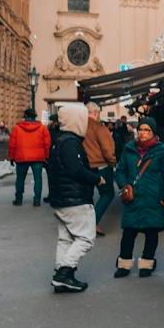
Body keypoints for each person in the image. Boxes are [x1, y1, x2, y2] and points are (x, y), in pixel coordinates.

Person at [112, 119, 164, 277]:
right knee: (128, 232)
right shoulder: (128, 149)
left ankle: (147, 262)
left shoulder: (161, 151)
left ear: (153, 132)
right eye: (140, 129)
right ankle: (123, 265)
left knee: (151, 232)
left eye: (147, 130)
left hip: (153, 197)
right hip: (133, 198)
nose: (143, 133)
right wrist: (124, 185)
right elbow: (119, 171)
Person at [47, 102, 96, 293]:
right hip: (74, 198)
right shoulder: (70, 142)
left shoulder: (59, 140)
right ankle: (64, 273)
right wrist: (96, 178)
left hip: (60, 198)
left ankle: (63, 275)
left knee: (66, 238)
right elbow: (76, 170)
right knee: (85, 238)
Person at [83, 103, 117, 235]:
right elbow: (107, 149)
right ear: (96, 113)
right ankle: (93, 223)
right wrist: (112, 162)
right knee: (107, 193)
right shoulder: (99, 127)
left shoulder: (80, 127)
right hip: (101, 165)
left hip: (85, 166)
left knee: (87, 195)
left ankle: (85, 223)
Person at [7, 107, 51, 206]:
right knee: (38, 179)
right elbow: (47, 144)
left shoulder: (17, 128)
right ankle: (37, 200)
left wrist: (11, 157)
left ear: (25, 116)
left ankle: (18, 199)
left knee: (20, 178)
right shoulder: (42, 128)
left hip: (22, 157)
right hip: (38, 158)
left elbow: (12, 144)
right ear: (35, 116)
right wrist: (47, 156)